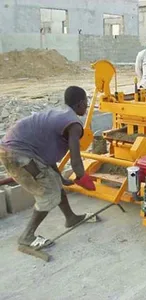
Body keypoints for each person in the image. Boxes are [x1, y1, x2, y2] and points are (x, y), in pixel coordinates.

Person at [0, 86, 97, 248]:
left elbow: (47, 157)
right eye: (86, 104)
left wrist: (60, 177)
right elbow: (76, 160)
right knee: (49, 192)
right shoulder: (74, 124)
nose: (86, 107)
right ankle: (27, 236)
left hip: (15, 149)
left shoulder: (61, 114)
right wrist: (83, 178)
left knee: (54, 182)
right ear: (80, 103)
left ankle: (71, 218)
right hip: (18, 154)